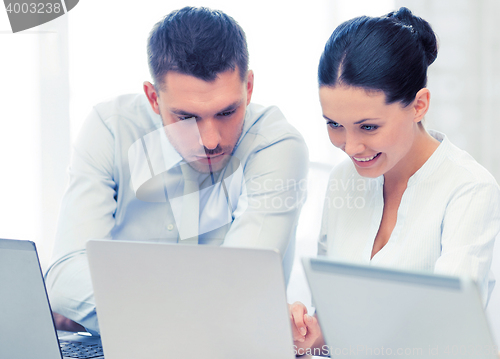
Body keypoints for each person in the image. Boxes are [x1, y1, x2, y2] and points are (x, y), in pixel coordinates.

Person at [45, 6, 308, 334]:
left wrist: (109, 306)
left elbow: (241, 287)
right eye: (186, 118)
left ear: (249, 87)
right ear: (153, 98)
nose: (211, 141)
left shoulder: (276, 144)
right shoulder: (111, 130)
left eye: (227, 112)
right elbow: (64, 277)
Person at [289, 7, 500, 353]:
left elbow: (448, 333)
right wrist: (315, 332)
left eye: (369, 126)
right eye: (334, 124)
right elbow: (334, 314)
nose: (351, 146)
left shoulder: (469, 189)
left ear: (419, 106)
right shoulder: (344, 179)